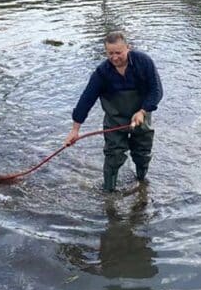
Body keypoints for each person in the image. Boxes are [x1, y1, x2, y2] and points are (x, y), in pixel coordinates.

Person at [65, 32, 163, 192]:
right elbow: (86, 100)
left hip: (140, 115)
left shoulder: (143, 62)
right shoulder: (102, 73)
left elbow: (156, 91)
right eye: (110, 53)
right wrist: (75, 130)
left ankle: (141, 184)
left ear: (128, 48)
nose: (115, 57)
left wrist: (143, 111)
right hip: (114, 120)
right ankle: (108, 193)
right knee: (113, 155)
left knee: (142, 152)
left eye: (119, 53)